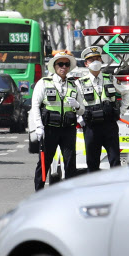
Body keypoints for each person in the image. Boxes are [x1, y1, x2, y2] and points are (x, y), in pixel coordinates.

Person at [30, 52, 84, 191]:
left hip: (68, 129)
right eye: (60, 64)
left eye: (66, 64)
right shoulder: (44, 83)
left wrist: (77, 106)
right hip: (49, 128)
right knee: (44, 162)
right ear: (55, 66)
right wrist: (39, 126)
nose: (63, 67)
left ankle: (70, 192)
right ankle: (39, 192)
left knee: (70, 162)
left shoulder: (74, 85)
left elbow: (82, 109)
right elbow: (35, 105)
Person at [76, 46, 129, 172]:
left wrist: (121, 111)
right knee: (92, 161)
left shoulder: (110, 79)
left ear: (101, 61)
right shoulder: (80, 83)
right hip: (91, 126)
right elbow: (74, 102)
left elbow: (126, 92)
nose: (95, 62)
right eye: (91, 60)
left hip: (109, 125)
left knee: (115, 160)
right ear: (86, 63)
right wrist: (80, 118)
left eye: (97, 58)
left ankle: (115, 189)